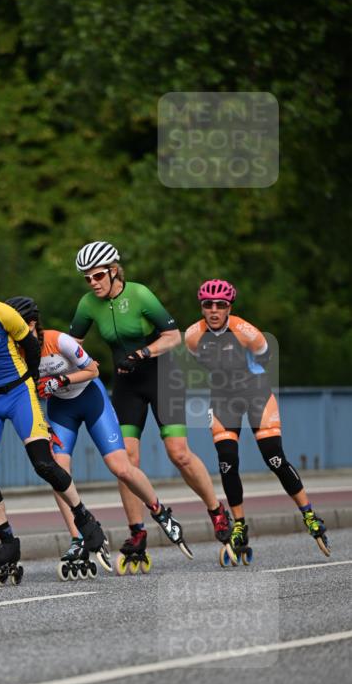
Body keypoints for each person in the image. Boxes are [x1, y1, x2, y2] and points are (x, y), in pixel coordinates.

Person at [0, 257, 111, 582]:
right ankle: (8, 543)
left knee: (43, 464)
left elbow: (30, 346)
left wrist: (25, 380)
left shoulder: (1, 314)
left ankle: (84, 518)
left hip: (18, 392)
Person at [69, 241, 233, 565]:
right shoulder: (88, 304)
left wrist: (143, 352)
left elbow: (174, 336)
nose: (93, 283)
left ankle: (217, 510)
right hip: (126, 383)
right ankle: (137, 531)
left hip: (162, 377)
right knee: (125, 462)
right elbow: (71, 346)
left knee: (179, 453)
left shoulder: (140, 294)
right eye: (87, 278)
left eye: (98, 275)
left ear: (114, 271)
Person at [5, 295, 193, 575]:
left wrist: (62, 379)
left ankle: (159, 510)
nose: (13, 336)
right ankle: (78, 537)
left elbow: (93, 370)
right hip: (60, 410)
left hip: (91, 401)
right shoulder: (15, 354)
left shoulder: (58, 341)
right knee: (56, 471)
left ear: (31, 324)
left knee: (120, 467)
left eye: (16, 328)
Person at [185, 279, 330, 561]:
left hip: (256, 393)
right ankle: (239, 525)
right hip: (223, 398)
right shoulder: (192, 335)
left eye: (221, 305)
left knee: (274, 457)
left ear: (229, 307)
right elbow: (200, 359)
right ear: (202, 307)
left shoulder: (245, 331)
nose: (214, 310)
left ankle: (309, 514)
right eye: (208, 305)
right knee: (227, 461)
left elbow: (265, 355)